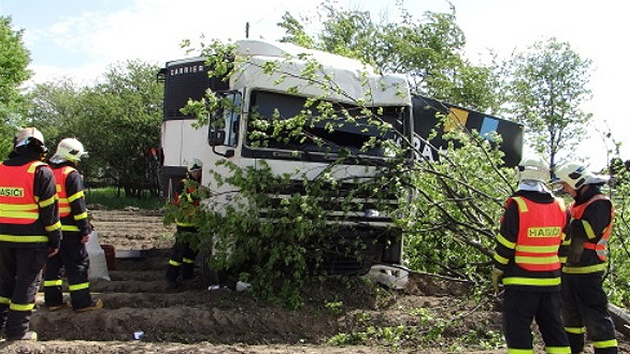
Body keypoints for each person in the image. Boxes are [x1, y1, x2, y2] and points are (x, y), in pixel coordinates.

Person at [492, 155, 571, 353]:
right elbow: (565, 244)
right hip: (552, 282)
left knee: (517, 330)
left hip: (520, 281)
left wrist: (498, 269)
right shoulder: (561, 206)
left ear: (520, 175)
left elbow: (506, 243)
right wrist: (556, 267)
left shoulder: (517, 205)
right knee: (554, 329)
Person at [0, 127, 62, 341]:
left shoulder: (1, 169)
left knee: (3, 285)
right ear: (41, 149)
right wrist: (55, 241)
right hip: (32, 241)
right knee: (26, 285)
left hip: (2, 240)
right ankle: (17, 332)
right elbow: (50, 214)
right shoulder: (41, 172)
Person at [554, 161, 618, 354]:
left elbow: (587, 230)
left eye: (565, 184)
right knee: (570, 318)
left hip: (589, 270)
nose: (564, 188)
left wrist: (563, 222)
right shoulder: (575, 206)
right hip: (570, 270)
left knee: (595, 317)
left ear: (577, 181)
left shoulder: (600, 203)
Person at [42, 138, 103, 313]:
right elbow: (78, 205)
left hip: (49, 229)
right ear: (73, 155)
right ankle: (82, 303)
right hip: (70, 230)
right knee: (77, 266)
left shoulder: (45, 171)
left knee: (53, 267)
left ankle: (53, 301)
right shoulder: (71, 174)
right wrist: (85, 229)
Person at [165, 158, 207, 289]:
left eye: (198, 171)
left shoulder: (200, 184)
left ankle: (187, 274)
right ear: (189, 171)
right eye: (194, 171)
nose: (197, 173)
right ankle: (171, 277)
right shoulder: (183, 184)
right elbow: (182, 200)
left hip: (196, 223)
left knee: (191, 252)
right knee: (179, 252)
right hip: (184, 224)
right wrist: (196, 194)